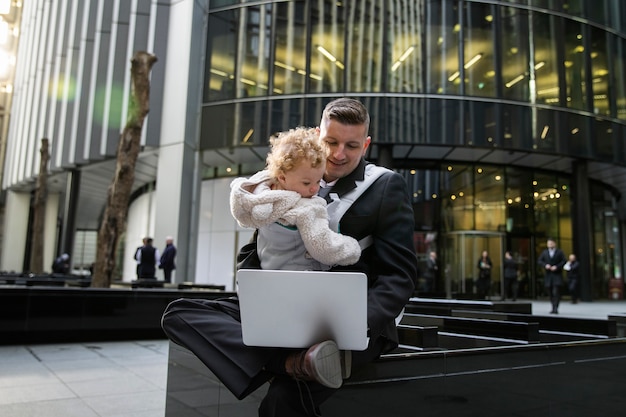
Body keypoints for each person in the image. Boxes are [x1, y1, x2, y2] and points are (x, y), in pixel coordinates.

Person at [161, 97, 417, 416]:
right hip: (284, 308)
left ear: (365, 144)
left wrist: (358, 323)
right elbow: (253, 251)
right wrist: (257, 299)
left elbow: (399, 275)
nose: (339, 154)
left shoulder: (383, 186)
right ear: (316, 134)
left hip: (349, 320)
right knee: (180, 313)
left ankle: (285, 365)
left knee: (283, 401)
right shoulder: (288, 177)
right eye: (331, 141)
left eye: (351, 145)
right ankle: (289, 363)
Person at [229, 126, 361, 270]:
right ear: (282, 177)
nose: (314, 188)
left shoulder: (260, 194)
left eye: (318, 181)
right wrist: (351, 248)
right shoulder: (306, 208)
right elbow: (323, 248)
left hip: (266, 272)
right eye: (306, 183)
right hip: (299, 278)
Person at [537, 237, 567, 314]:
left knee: (556, 291)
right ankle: (553, 305)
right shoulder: (545, 252)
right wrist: (545, 265)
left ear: (554, 243)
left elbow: (564, 261)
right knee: (549, 291)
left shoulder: (559, 252)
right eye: (548, 243)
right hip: (548, 275)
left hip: (557, 275)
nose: (549, 245)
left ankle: (555, 307)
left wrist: (557, 266)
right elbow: (540, 261)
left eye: (551, 243)